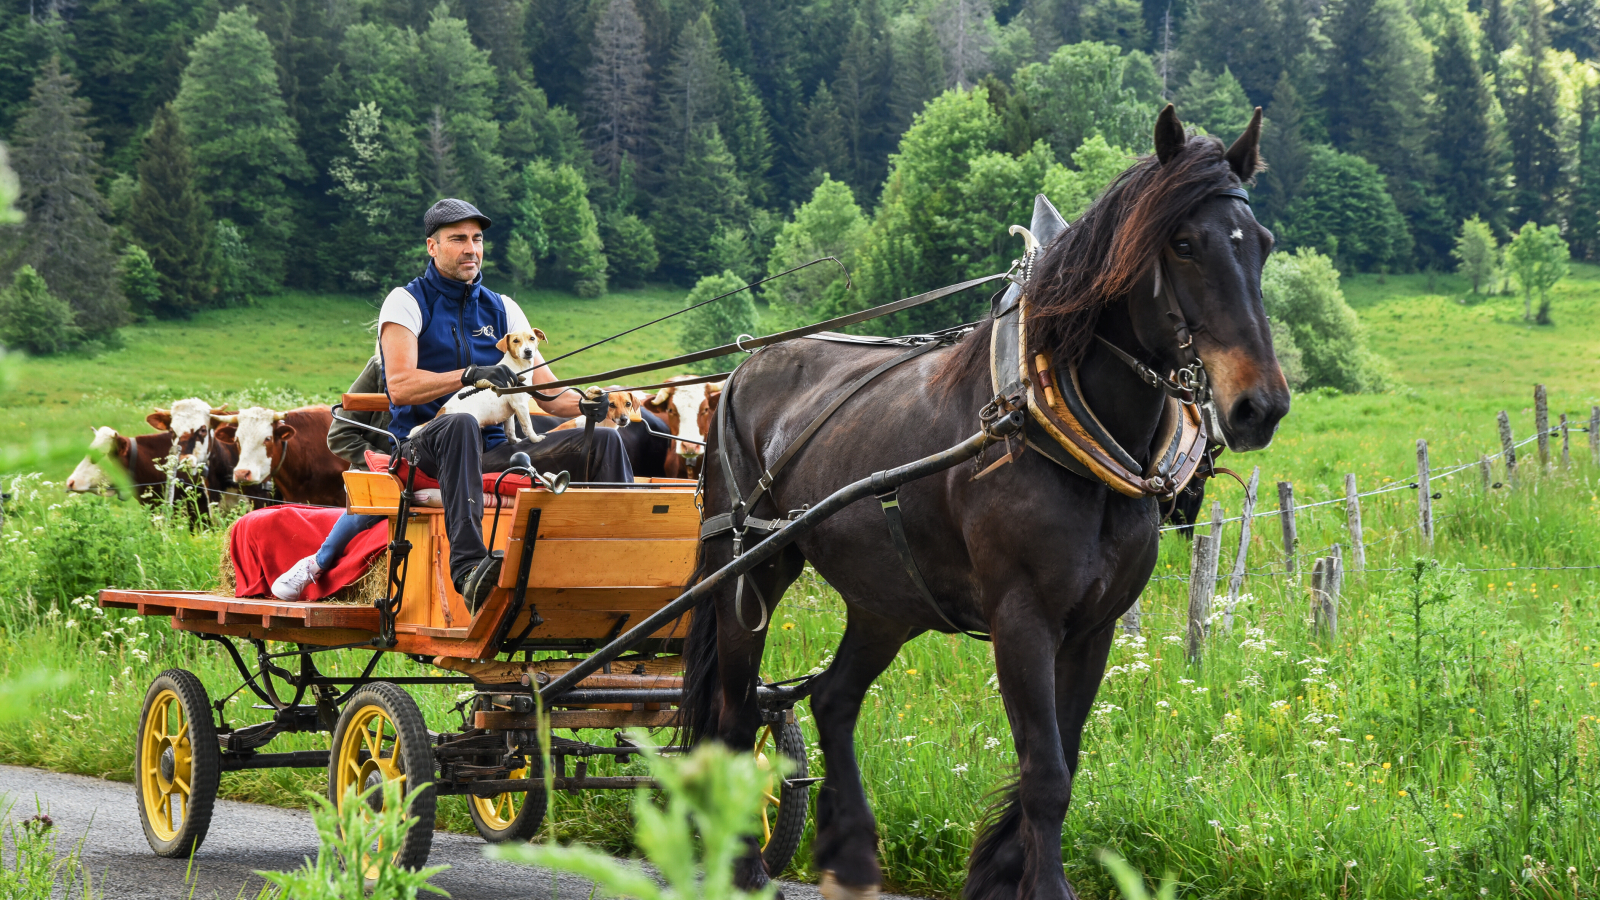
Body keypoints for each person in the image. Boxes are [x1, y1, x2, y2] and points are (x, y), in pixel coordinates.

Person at [272, 199, 630, 608]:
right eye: (458, 239)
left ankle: (624, 562)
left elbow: (548, 396)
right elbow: (402, 386)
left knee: (603, 441)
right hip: (424, 447)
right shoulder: (407, 302)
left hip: (494, 451)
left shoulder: (504, 309)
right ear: (432, 246)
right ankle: (468, 570)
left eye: (477, 239)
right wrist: (468, 374)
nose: (471, 249)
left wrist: (590, 405)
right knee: (460, 424)